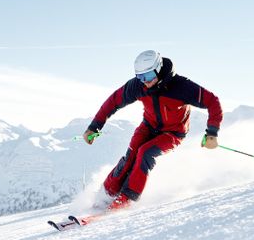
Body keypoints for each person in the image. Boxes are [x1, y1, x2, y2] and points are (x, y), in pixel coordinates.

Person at [83, 50, 223, 211]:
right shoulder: (138, 86)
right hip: (148, 127)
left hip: (173, 133)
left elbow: (213, 102)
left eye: (148, 76)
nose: (144, 82)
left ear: (158, 69)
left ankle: (127, 199)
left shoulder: (181, 87)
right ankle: (105, 195)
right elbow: (113, 102)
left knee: (145, 153)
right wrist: (94, 127)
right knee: (131, 155)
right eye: (140, 77)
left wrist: (212, 132)